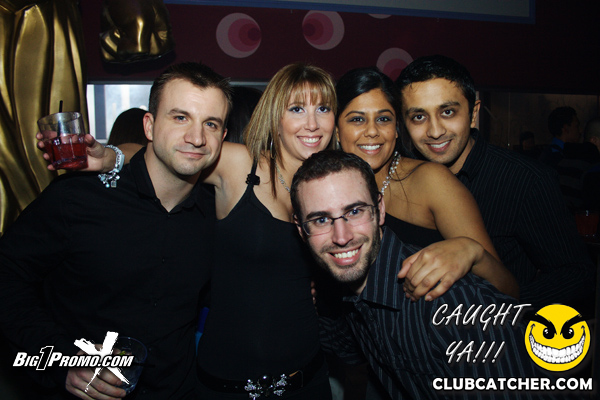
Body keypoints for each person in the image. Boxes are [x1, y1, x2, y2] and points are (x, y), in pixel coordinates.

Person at [76, 63, 337, 399]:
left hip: (308, 379)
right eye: (297, 109)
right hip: (226, 384)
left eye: (323, 109)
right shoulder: (242, 165)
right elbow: (162, 151)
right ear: (275, 117)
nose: (312, 123)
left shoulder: (335, 187)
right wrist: (110, 156)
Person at [0, 62, 231, 399]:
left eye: (210, 123)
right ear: (149, 126)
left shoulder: (218, 213)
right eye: (180, 117)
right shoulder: (78, 197)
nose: (196, 138)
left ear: (223, 137)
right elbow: (7, 277)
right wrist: (59, 359)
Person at [290, 150, 555, 400]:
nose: (342, 237)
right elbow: (345, 350)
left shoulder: (448, 301)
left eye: (355, 211)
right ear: (301, 231)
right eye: (320, 220)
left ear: (380, 210)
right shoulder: (352, 295)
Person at [395, 55, 595, 309]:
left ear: (473, 113)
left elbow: (578, 274)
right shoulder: (403, 175)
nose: (435, 131)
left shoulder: (525, 181)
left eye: (448, 112)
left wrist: (508, 305)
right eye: (418, 117)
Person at [335, 67, 518, 301]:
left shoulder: (431, 181)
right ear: (337, 131)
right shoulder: (330, 189)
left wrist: (473, 253)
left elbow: (508, 289)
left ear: (396, 129)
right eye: (357, 119)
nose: (372, 131)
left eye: (383, 119)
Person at [540, 107, 600, 209]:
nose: (580, 130)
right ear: (565, 128)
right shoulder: (555, 157)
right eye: (576, 126)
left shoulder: (550, 153)